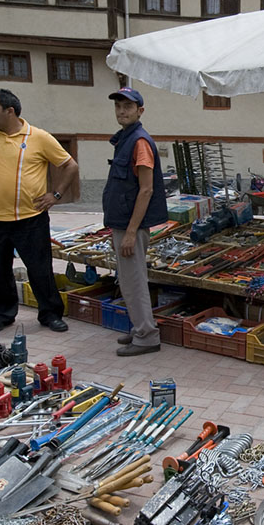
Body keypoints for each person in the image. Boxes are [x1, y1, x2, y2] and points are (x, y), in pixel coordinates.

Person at [0, 89, 78, 334]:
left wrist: (56, 195)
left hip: (31, 219)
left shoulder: (38, 137)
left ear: (10, 111)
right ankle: (2, 315)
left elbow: (69, 165)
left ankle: (50, 314)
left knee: (40, 269)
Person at [104, 87, 167, 356]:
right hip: (122, 223)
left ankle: (147, 335)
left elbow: (146, 190)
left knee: (133, 280)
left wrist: (130, 232)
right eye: (118, 106)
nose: (122, 110)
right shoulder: (126, 139)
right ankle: (141, 327)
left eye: (128, 106)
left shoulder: (139, 142)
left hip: (131, 226)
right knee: (129, 279)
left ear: (140, 111)